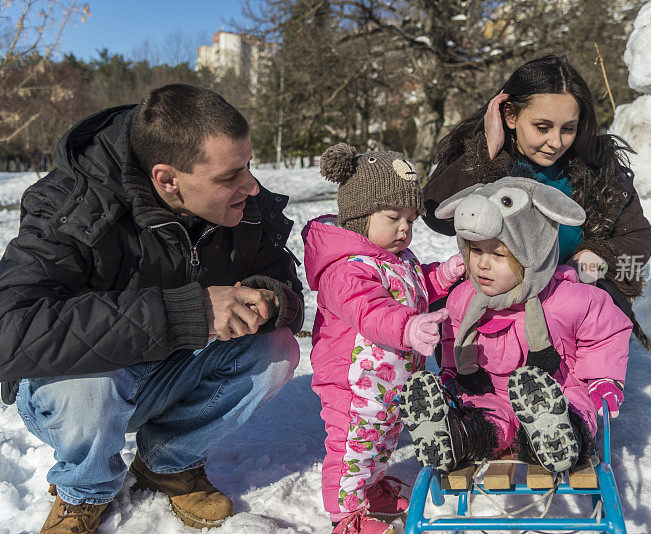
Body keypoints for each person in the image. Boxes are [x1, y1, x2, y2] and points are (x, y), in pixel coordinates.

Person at [0, 84, 305, 534]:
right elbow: (10, 330)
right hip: (75, 389)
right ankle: (84, 490)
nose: (251, 186)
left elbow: (287, 286)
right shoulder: (72, 204)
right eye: (229, 177)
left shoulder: (245, 203)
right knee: (90, 387)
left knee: (275, 352)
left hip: (169, 371)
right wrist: (192, 311)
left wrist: (268, 298)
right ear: (167, 180)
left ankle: (168, 462)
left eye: (249, 166)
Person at [399, 177, 632, 475]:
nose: (482, 264)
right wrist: (450, 371)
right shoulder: (465, 300)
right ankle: (460, 437)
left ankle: (558, 435)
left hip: (559, 391)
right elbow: (452, 338)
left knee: (574, 405)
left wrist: (602, 379)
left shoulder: (569, 298)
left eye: (497, 255)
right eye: (476, 251)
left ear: (531, 255)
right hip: (492, 394)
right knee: (486, 416)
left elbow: (605, 334)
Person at [422, 54, 651, 348]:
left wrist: (596, 260)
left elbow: (637, 237)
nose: (556, 142)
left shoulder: (600, 169)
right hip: (496, 314)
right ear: (510, 116)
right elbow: (435, 215)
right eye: (542, 127)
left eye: (568, 128)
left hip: (571, 314)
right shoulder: (489, 162)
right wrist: (486, 155)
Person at [302, 143, 466, 534]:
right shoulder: (345, 270)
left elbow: (415, 285)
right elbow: (371, 310)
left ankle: (372, 488)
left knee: (383, 437)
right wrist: (409, 328)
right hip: (352, 383)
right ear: (360, 216)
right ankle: (346, 517)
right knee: (352, 447)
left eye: (410, 219)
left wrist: (444, 274)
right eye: (393, 217)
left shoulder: (395, 259)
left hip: (389, 382)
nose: (405, 229)